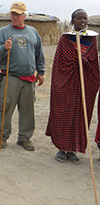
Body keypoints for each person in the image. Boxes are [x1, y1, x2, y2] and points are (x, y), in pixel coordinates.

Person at [46, 9, 100, 163]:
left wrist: (85, 63)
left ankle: (73, 150)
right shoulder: (65, 39)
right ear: (72, 21)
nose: (82, 21)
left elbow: (93, 62)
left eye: (85, 18)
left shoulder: (92, 39)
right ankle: (61, 149)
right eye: (79, 18)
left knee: (80, 115)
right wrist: (77, 62)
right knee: (64, 113)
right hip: (66, 82)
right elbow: (60, 63)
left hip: (84, 82)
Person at [0, 2, 45, 151]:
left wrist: (40, 72)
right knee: (6, 108)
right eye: (13, 14)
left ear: (24, 15)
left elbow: (39, 54)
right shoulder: (3, 32)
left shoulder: (33, 32)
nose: (15, 17)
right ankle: (2, 137)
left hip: (28, 78)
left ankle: (24, 138)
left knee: (27, 110)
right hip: (10, 77)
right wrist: (4, 48)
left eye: (18, 14)